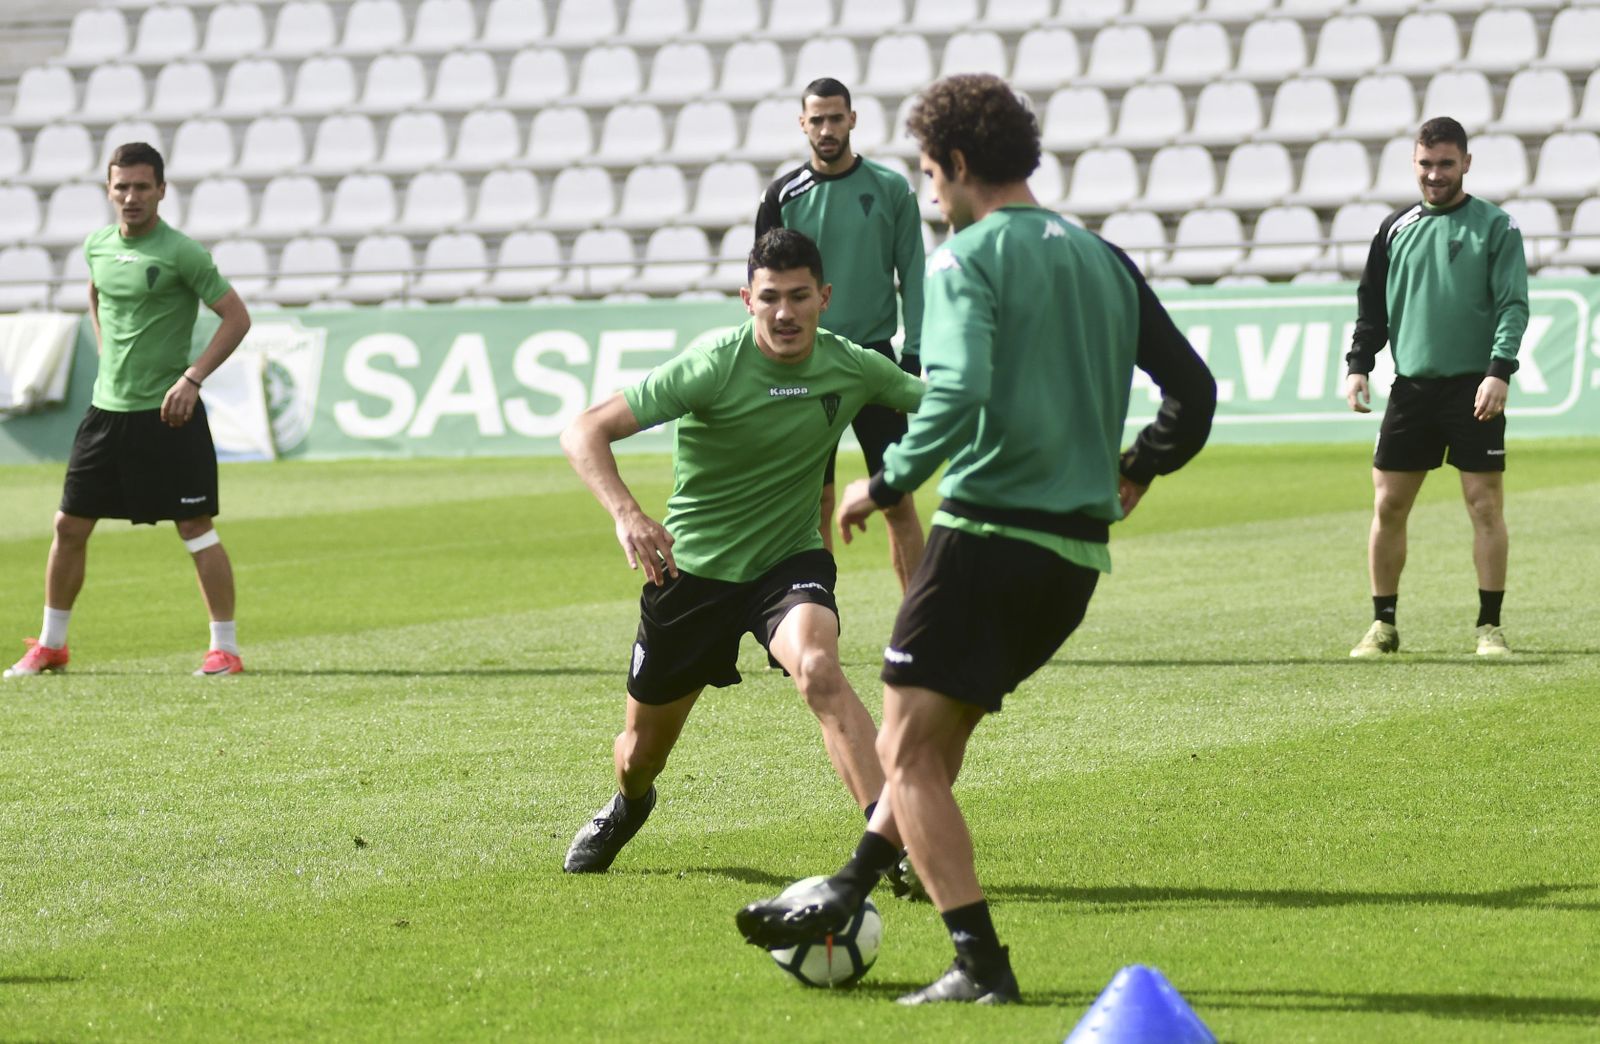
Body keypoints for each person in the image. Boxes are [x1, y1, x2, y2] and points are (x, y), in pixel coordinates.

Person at [735, 75, 1217, 1005]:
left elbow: (956, 397)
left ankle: (980, 964)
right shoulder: (1102, 256)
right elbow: (1192, 394)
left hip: (988, 534)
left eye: (928, 175)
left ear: (957, 166)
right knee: (930, 738)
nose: (929, 194)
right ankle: (848, 886)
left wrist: (886, 480)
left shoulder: (966, 260)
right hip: (1073, 561)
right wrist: (1139, 466)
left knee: (910, 752)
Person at [558, 228, 924, 874]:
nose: (785, 313)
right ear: (746, 300)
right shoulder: (713, 365)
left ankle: (887, 842)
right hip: (691, 574)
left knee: (819, 668)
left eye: (799, 297)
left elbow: (941, 407)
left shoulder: (852, 365)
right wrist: (629, 515)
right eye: (770, 298)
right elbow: (585, 431)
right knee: (639, 754)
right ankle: (628, 805)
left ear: (825, 297)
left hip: (787, 565)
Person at [6, 142, 252, 679]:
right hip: (106, 413)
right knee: (69, 525)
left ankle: (225, 649)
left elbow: (236, 318)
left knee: (196, 526)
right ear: (109, 190)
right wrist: (109, 355)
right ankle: (52, 644)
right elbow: (97, 296)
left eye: (142, 186)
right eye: (122, 186)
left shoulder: (183, 252)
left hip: (169, 414)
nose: (131, 196)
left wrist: (191, 378)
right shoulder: (96, 247)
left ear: (162, 190)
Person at [1345, 116, 1528, 659]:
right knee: (1389, 506)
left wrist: (1499, 370)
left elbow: (1512, 304)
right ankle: (1383, 626)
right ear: (1414, 163)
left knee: (1484, 506)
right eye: (1426, 164)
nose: (1435, 174)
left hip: (1475, 386)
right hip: (1412, 389)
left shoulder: (1497, 226)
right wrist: (1359, 364)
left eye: (1446, 163)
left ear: (1466, 163)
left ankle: (1488, 628)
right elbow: (1371, 306)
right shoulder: (1394, 228)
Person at [756, 77, 927, 592]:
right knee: (816, 502)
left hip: (875, 360)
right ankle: (812, 617)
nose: (827, 128)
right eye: (817, 119)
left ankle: (922, 623)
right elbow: (764, 285)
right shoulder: (783, 195)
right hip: (806, 363)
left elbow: (913, 275)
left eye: (836, 117)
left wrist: (913, 354)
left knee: (896, 497)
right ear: (802, 124)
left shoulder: (891, 188)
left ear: (853, 119)